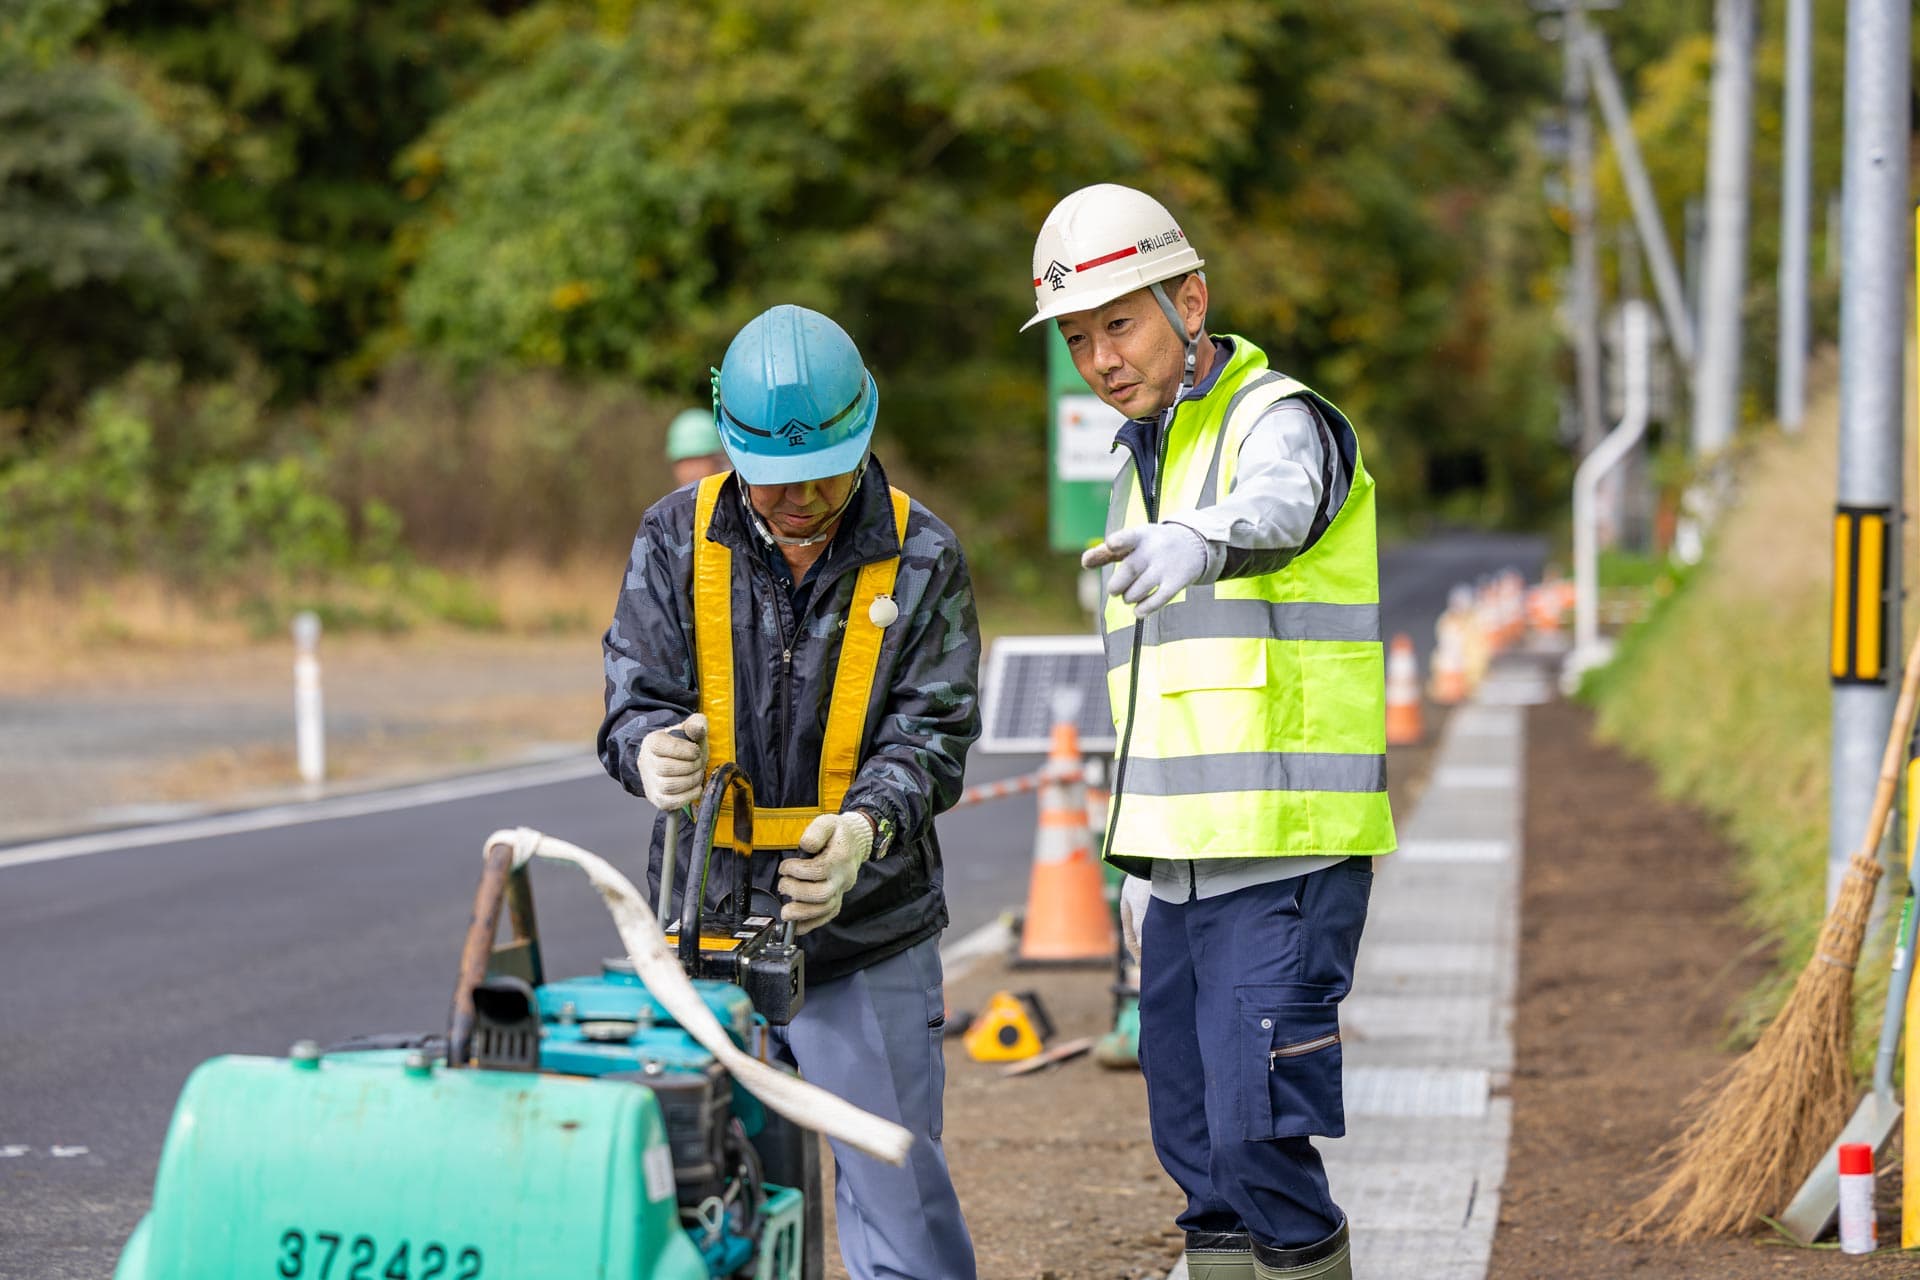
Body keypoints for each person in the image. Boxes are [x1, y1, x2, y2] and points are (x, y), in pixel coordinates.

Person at [1020, 184, 1395, 1280]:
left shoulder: (1273, 415)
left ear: (1191, 299)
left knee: (1259, 1138)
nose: (1100, 358)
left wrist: (1202, 537)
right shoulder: (1137, 463)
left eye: (1120, 323)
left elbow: (1281, 503)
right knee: (1201, 1164)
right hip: (1179, 869)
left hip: (1283, 851)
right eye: (1079, 338)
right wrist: (1141, 870)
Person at [598, 304, 982, 1280]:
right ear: (732, 453)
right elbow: (632, 698)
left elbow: (931, 731)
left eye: (823, 472)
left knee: (895, 1191)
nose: (800, 498)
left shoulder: (921, 553)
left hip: (864, 928)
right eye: (774, 481)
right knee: (701, 1194)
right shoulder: (675, 539)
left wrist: (864, 829)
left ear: (865, 432)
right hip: (703, 925)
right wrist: (647, 750)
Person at [665, 405, 729, 487]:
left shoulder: (742, 498)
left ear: (719, 460)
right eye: (685, 463)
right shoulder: (671, 499)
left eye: (699, 462)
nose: (692, 473)